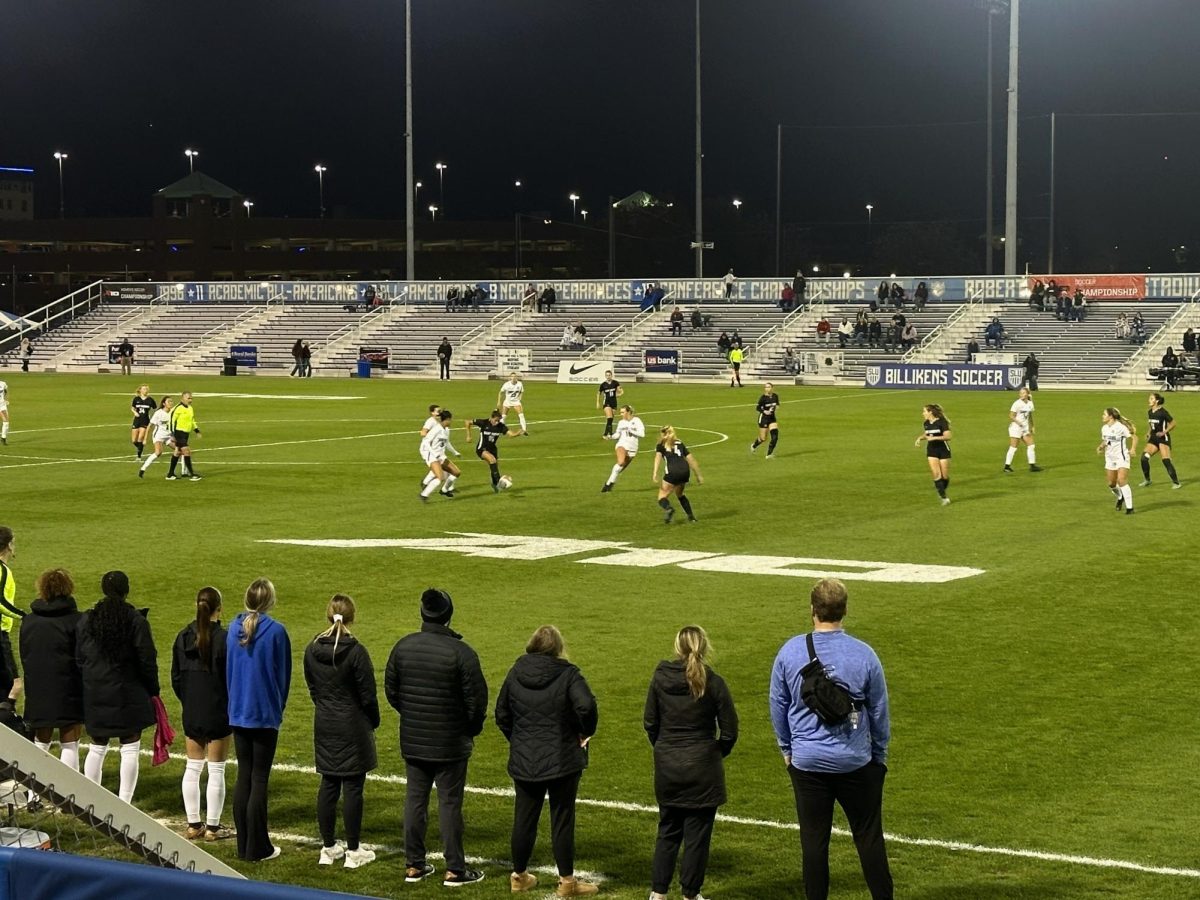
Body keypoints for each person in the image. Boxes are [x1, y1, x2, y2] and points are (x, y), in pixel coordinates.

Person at [770, 578, 892, 900]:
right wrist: (878, 757)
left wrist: (787, 750)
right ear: (845, 610)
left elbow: (778, 705)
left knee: (813, 842)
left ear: (812, 610)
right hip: (855, 761)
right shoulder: (864, 654)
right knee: (869, 838)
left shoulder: (790, 651)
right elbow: (879, 711)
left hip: (808, 763)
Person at [385, 588, 488, 887]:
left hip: (415, 738)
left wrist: (413, 715)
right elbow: (476, 701)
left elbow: (392, 691)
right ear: (448, 614)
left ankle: (414, 865)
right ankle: (455, 869)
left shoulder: (403, 647)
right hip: (450, 742)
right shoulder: (462, 653)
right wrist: (469, 728)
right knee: (450, 803)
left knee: (415, 799)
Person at [496, 625, 599, 896]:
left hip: (525, 758)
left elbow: (501, 713)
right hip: (562, 759)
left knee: (524, 818)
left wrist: (518, 740)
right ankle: (567, 882)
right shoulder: (568, 674)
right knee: (562, 819)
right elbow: (586, 706)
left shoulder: (516, 672)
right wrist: (584, 732)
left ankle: (518, 876)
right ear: (557, 648)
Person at [645, 625, 738, 900]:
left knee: (668, 831)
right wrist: (712, 753)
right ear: (704, 647)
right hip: (703, 769)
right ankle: (690, 894)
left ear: (677, 647)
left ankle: (658, 894)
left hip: (669, 767)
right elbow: (730, 730)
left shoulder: (660, 679)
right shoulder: (713, 682)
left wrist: (665, 749)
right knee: (697, 836)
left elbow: (650, 722)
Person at [304, 594, 380, 870]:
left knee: (328, 783)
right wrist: (373, 720)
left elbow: (312, 687)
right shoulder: (356, 652)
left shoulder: (312, 649)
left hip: (325, 723)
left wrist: (326, 707)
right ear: (352, 617)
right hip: (352, 725)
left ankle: (328, 848)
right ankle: (354, 851)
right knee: (353, 787)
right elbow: (368, 696)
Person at [77, 571, 159, 803]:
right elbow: (146, 660)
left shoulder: (87, 619)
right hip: (127, 692)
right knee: (130, 746)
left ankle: (91, 800)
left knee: (97, 745)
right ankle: (125, 802)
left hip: (95, 690)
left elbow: (80, 657)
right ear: (126, 590)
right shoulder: (135, 620)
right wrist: (153, 690)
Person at [227, 577, 292, 861]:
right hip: (263, 713)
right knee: (259, 778)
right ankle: (258, 847)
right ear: (269, 601)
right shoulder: (276, 632)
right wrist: (277, 707)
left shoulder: (233, 628)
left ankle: (244, 845)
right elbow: (284, 676)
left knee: (244, 776)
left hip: (238, 710)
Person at [171, 586, 232, 841]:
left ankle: (193, 825)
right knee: (216, 769)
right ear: (219, 608)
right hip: (218, 709)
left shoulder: (183, 637)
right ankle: (213, 829)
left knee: (193, 767)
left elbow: (175, 678)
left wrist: (188, 700)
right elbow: (232, 678)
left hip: (192, 709)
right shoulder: (225, 638)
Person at [20, 568, 83, 776]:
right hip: (68, 687)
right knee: (69, 741)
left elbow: (25, 653)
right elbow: (82, 657)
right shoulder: (77, 621)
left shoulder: (28, 621)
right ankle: (69, 798)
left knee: (41, 741)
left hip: (37, 687)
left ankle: (32, 796)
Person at [653, 426, 703, 524]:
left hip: (673, 471)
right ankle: (691, 517)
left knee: (662, 496)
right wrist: (698, 475)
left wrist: (655, 473)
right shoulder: (679, 442)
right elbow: (690, 459)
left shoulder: (661, 444)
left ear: (664, 434)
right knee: (680, 494)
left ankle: (669, 509)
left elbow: (657, 458)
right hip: (685, 471)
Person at [467, 410, 520, 493]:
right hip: (482, 449)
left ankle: (494, 483)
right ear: (491, 418)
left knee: (494, 466)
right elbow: (467, 422)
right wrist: (468, 435)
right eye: (496, 420)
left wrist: (518, 433)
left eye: (498, 420)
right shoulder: (483, 422)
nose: (497, 422)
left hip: (493, 449)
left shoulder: (500, 426)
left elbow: (511, 434)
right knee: (492, 460)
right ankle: (499, 481)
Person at [0, 526, 23, 710]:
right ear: (8, 545)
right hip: (0, 636)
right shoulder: (3, 570)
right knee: (9, 685)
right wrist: (25, 616)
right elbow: (1, 602)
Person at [1098, 407, 1137, 515]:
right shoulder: (1104, 428)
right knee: (1111, 483)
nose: (1102, 416)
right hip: (1109, 457)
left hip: (1121, 456)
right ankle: (1120, 497)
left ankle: (1130, 508)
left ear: (1110, 416)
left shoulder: (1121, 427)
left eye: (1104, 414)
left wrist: (1133, 449)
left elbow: (1134, 437)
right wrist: (1101, 446)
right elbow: (1106, 440)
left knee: (1121, 480)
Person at [1140, 392, 1182, 489]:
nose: (1149, 400)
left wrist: (1164, 432)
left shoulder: (1163, 412)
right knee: (1144, 458)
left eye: (1151, 398)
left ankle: (1176, 483)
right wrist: (1149, 432)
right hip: (1153, 439)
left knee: (1166, 460)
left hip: (1163, 439)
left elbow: (1173, 423)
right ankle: (1147, 480)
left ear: (1157, 401)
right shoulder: (1150, 412)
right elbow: (1152, 425)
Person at [420, 409, 462, 501]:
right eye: (450, 420)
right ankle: (424, 494)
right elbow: (426, 442)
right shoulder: (436, 429)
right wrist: (433, 453)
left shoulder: (446, 430)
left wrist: (455, 452)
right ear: (446, 419)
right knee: (440, 477)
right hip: (432, 455)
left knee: (456, 472)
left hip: (441, 455)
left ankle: (444, 490)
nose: (451, 421)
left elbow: (447, 443)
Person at [602, 405, 645, 493]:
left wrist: (631, 431)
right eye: (621, 412)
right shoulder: (621, 422)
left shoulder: (637, 421)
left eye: (623, 412)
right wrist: (611, 436)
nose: (621, 414)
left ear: (628, 412)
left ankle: (608, 485)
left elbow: (642, 434)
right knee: (621, 462)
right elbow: (618, 434)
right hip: (622, 445)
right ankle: (607, 486)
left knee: (619, 469)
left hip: (633, 448)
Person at [916, 403, 952, 505]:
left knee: (944, 477)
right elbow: (927, 433)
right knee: (936, 474)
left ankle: (940, 488)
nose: (923, 413)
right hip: (932, 450)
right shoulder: (926, 423)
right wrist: (920, 438)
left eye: (924, 411)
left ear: (930, 412)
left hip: (943, 449)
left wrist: (935, 438)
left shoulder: (942, 422)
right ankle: (943, 497)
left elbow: (948, 436)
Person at [1003, 387, 1041, 474]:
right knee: (1013, 447)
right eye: (1020, 393)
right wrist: (1019, 423)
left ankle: (1032, 466)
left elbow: (1030, 415)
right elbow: (1011, 415)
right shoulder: (1017, 404)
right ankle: (1007, 466)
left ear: (1027, 394)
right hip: (1016, 428)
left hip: (1025, 428)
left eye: (1023, 393)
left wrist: (1032, 426)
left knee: (1031, 445)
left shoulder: (1030, 403)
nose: (1021, 394)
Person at [167, 391, 201, 482]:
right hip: (178, 432)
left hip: (186, 433)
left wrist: (196, 430)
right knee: (186, 451)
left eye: (191, 398)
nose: (190, 400)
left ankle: (170, 474)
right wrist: (172, 434)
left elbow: (192, 420)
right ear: (182, 398)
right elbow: (171, 421)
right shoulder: (177, 408)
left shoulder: (190, 408)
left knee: (177, 452)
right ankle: (192, 474)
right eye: (188, 398)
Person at [138, 395, 174, 479]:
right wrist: (145, 439)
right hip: (159, 436)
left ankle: (184, 472)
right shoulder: (159, 413)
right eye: (169, 401)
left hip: (168, 436)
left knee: (180, 450)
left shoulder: (173, 412)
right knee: (158, 452)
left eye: (171, 401)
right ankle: (143, 469)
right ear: (164, 403)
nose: (171, 403)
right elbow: (150, 426)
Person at [750, 382, 781, 459]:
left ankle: (769, 454)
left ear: (772, 388)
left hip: (772, 418)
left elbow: (777, 405)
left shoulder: (775, 396)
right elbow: (757, 408)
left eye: (769, 387)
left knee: (775, 437)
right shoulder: (763, 398)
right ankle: (754, 445)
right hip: (763, 419)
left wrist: (775, 408)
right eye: (766, 387)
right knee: (763, 439)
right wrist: (764, 411)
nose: (767, 388)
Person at [130, 384, 156, 459]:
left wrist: (152, 418)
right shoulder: (136, 399)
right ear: (140, 390)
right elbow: (132, 408)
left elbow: (155, 409)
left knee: (140, 438)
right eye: (144, 389)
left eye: (146, 389)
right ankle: (140, 447)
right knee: (134, 440)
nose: (145, 390)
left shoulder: (150, 400)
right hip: (137, 420)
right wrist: (135, 412)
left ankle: (139, 456)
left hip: (145, 420)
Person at [596, 371, 623, 438]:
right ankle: (609, 434)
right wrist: (597, 402)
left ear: (611, 375)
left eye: (609, 375)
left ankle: (607, 434)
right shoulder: (603, 385)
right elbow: (598, 393)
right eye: (607, 375)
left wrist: (620, 393)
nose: (608, 377)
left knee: (611, 419)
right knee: (610, 418)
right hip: (606, 403)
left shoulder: (615, 383)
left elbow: (620, 390)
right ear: (605, 376)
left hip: (614, 403)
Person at [0, 378, 9, 445]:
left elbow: (5, 391)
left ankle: (3, 438)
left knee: (6, 422)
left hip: (2, 406)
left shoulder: (3, 383)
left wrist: (5, 399)